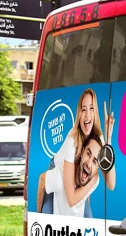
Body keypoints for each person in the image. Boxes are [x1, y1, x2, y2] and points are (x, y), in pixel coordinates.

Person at [36, 88, 116, 216]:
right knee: (47, 217)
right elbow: (71, 199)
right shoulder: (72, 141)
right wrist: (93, 181)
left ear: (95, 112)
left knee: (87, 219)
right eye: (83, 109)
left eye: (91, 108)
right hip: (59, 169)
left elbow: (111, 184)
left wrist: (108, 139)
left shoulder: (98, 139)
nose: (87, 115)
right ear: (79, 114)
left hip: (79, 174)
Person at [51, 134, 102, 217]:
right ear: (82, 152)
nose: (89, 164)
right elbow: (71, 200)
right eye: (88, 154)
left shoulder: (95, 179)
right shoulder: (63, 169)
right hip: (57, 164)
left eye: (94, 161)